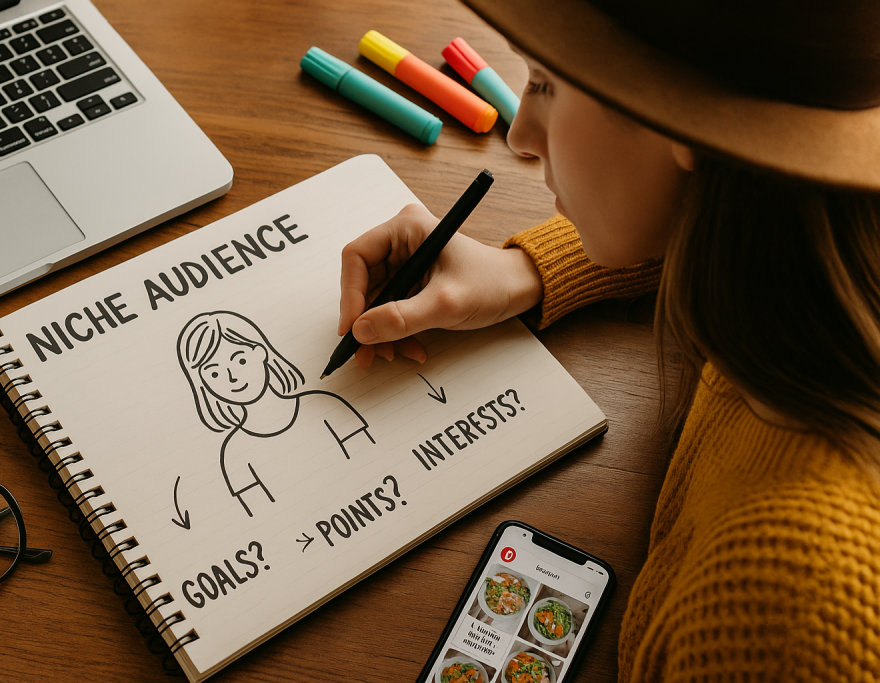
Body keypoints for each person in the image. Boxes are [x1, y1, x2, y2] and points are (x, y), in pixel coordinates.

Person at [337, 0, 880, 678]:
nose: (521, 136)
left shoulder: (788, 606)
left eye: (546, 85)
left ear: (686, 123)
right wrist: (522, 271)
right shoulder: (807, 243)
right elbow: (725, 210)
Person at [177, 311, 373, 517]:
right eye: (214, 373)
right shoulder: (235, 455)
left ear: (260, 352)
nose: (232, 377)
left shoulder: (324, 405)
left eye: (240, 360)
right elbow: (261, 515)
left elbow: (372, 458)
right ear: (204, 384)